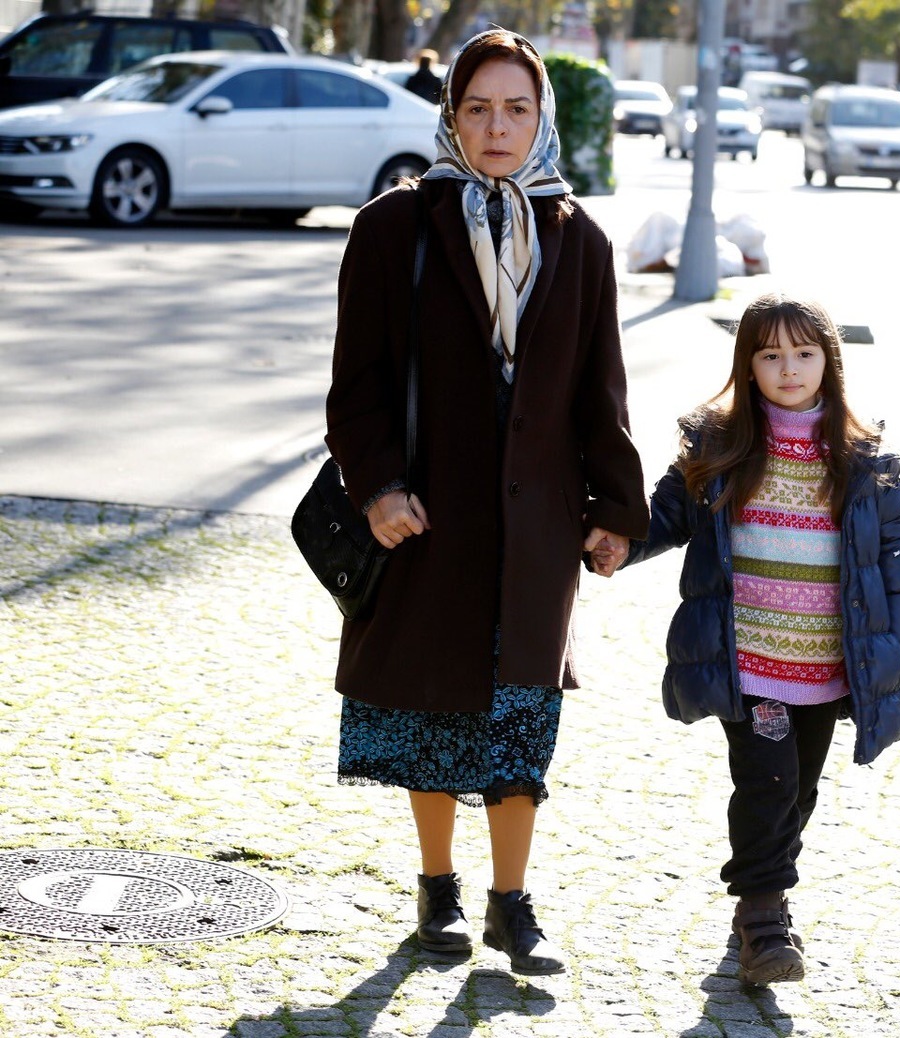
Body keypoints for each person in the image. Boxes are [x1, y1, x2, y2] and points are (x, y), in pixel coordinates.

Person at [324, 27, 649, 974]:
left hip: (537, 525)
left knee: (520, 718)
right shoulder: (393, 227)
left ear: (542, 118)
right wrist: (377, 487)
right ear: (451, 116)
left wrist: (616, 510)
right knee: (430, 711)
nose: (497, 128)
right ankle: (439, 892)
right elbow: (357, 383)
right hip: (428, 519)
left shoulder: (580, 239)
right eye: (478, 108)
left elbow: (601, 389)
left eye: (516, 109)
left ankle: (513, 904)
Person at [591, 292, 900, 986]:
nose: (789, 369)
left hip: (826, 665)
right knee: (767, 783)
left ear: (830, 363)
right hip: (750, 662)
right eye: (771, 355)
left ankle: (763, 901)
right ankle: (764, 923)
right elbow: (666, 515)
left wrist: (898, 643)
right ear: (747, 364)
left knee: (798, 791)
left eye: (804, 353)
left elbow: (894, 554)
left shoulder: (863, 459)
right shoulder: (721, 448)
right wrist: (619, 542)